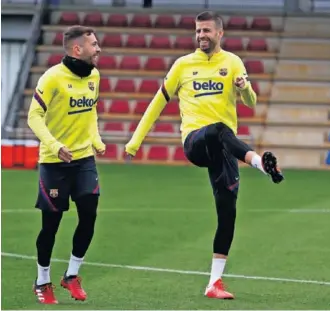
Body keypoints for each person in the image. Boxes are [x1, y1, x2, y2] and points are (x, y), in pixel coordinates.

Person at [125, 11, 284, 299]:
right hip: (196, 142)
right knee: (220, 129)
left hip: (225, 148)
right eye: (198, 31)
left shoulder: (233, 62)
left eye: (207, 31)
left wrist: (244, 87)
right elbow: (156, 104)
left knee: (228, 213)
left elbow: (251, 102)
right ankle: (261, 164)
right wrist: (134, 143)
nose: (201, 36)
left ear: (220, 34)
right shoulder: (182, 65)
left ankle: (214, 284)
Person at [27, 25, 104, 304]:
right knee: (51, 225)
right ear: (77, 49)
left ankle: (71, 275)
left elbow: (91, 110)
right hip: (53, 162)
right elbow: (34, 117)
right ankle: (43, 279)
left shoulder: (94, 75)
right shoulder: (52, 78)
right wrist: (54, 145)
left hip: (83, 159)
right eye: (93, 44)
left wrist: (95, 139)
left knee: (90, 213)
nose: (98, 48)